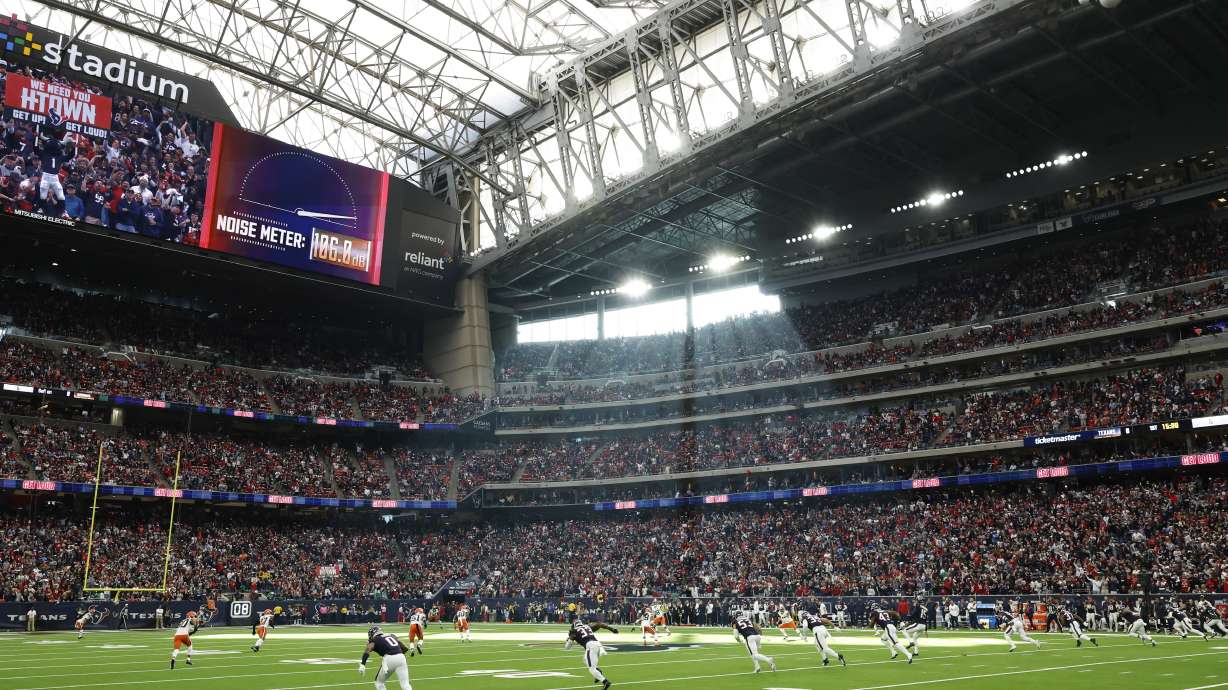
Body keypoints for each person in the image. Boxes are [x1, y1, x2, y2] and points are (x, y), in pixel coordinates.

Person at [564, 616, 617, 689]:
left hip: (590, 646)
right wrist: (612, 629)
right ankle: (598, 671)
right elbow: (600, 624)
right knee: (585, 660)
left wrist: (569, 639)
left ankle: (605, 682)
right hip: (598, 645)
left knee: (591, 669)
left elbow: (567, 647)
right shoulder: (587, 627)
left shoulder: (574, 631)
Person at [359, 625, 411, 690]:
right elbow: (405, 648)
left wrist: (363, 664)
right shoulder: (391, 635)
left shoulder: (374, 639)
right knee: (405, 684)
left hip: (389, 658)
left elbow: (367, 650)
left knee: (379, 682)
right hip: (401, 657)